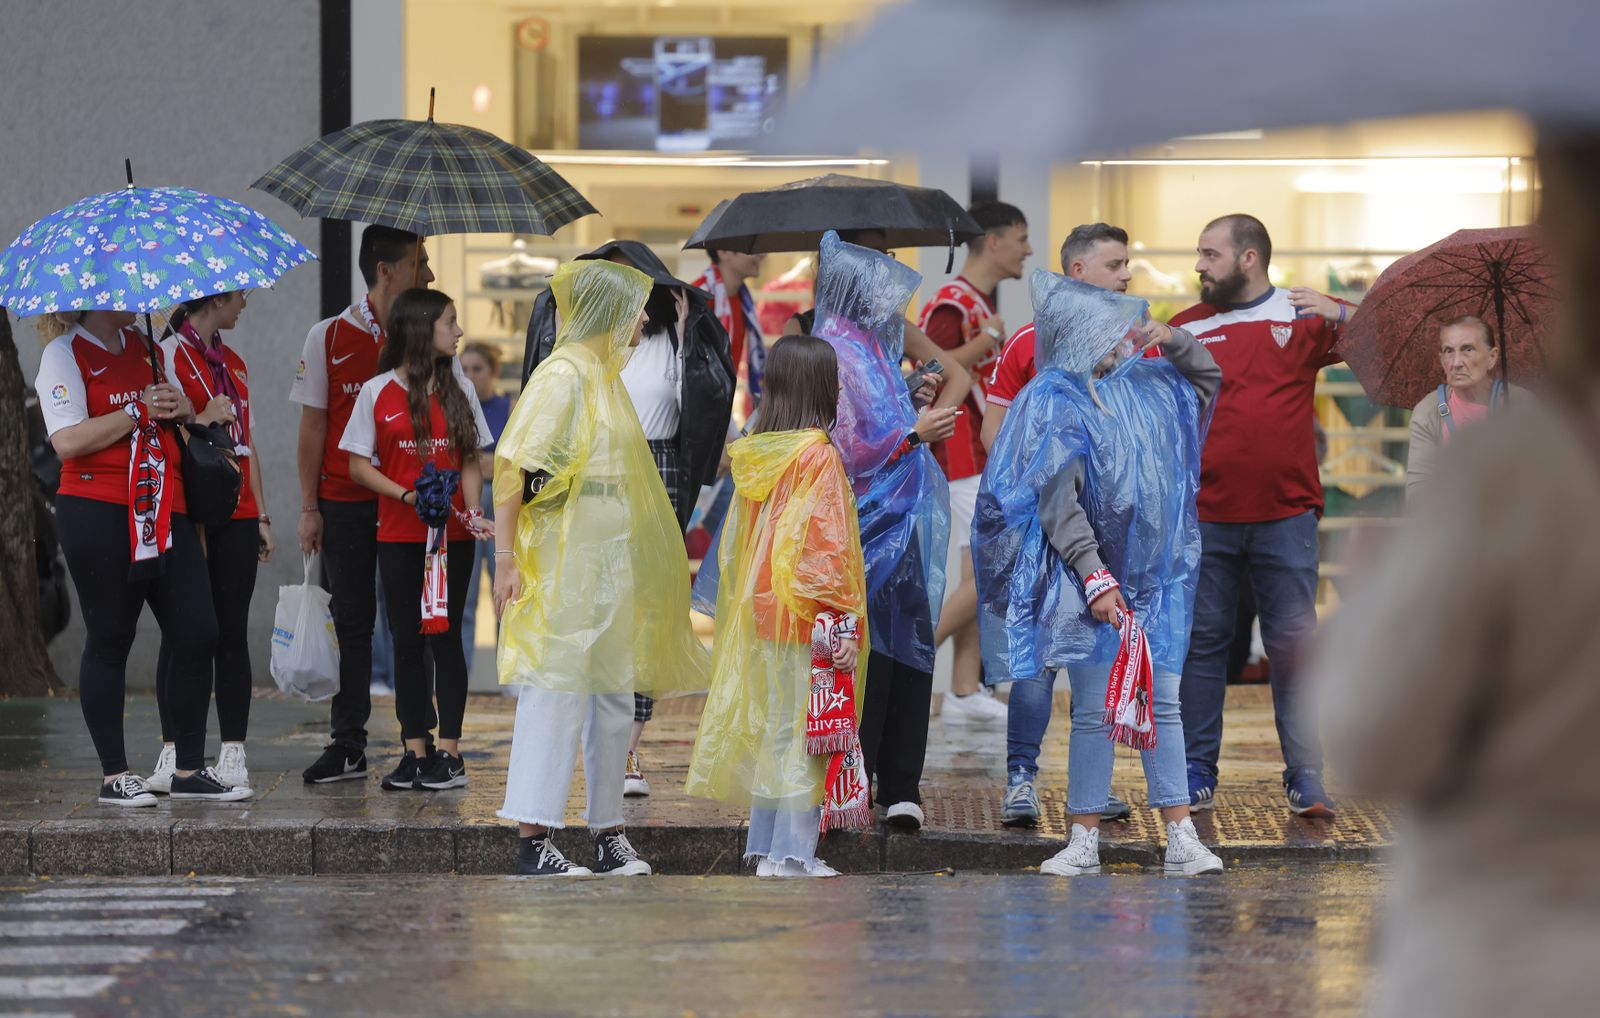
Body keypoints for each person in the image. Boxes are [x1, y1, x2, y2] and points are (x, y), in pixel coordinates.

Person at [1307, 133, 1600, 1018]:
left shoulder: (1516, 462)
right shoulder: (1478, 435)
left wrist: (1378, 600)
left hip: (1508, 939)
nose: (1461, 362)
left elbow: (1375, 739)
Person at [974, 270, 1224, 876]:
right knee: (1093, 710)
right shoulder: (1058, 399)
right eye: (1109, 328)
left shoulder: (1153, 385)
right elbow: (1057, 503)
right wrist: (1095, 576)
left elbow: (1208, 378)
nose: (1122, 338)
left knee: (1163, 704)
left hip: (1157, 582)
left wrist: (1173, 338)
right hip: (1092, 587)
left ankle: (1181, 834)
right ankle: (1083, 839)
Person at [492, 260, 711, 877]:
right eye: (636, 306)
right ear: (608, 311)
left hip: (608, 556)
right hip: (566, 558)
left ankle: (607, 829)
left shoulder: (604, 377)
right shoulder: (563, 375)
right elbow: (512, 467)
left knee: (614, 693)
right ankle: (533, 838)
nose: (644, 319)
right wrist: (506, 559)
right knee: (556, 686)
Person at [524, 239, 736, 797]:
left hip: (660, 467)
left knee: (647, 607)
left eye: (634, 282)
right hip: (594, 473)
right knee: (591, 603)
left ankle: (626, 748)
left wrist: (688, 339)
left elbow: (705, 410)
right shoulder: (582, 351)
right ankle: (591, 741)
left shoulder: (670, 336)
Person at [1169, 213, 1346, 817]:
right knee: (1204, 644)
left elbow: (1382, 337)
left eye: (1209, 253)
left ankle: (1306, 775)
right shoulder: (1187, 326)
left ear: (1249, 258)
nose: (1199, 265)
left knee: (1293, 645)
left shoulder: (1303, 315)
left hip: (1287, 515)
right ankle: (1196, 771)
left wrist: (1340, 310)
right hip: (1207, 514)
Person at [33, 309, 246, 805]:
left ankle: (188, 770)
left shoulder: (147, 348)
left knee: (198, 631)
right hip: (99, 507)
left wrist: (184, 408)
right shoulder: (63, 354)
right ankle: (114, 776)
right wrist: (136, 410)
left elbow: (174, 417)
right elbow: (67, 440)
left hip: (163, 505)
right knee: (111, 636)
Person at [787, 231, 955, 831]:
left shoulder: (873, 348)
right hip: (863, 527)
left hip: (898, 523)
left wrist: (908, 399)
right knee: (873, 656)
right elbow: (844, 448)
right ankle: (868, 778)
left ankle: (901, 783)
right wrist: (912, 434)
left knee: (908, 649)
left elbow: (869, 428)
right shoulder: (835, 350)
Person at [685, 334, 867, 878]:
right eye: (833, 378)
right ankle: (793, 853)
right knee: (807, 737)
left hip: (766, 615)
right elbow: (828, 551)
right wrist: (844, 622)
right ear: (817, 387)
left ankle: (767, 849)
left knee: (777, 732)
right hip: (811, 618)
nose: (840, 387)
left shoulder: (760, 454)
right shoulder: (819, 457)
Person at [983, 223, 1136, 827]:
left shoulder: (1131, 344)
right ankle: (1021, 781)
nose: (1126, 274)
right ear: (1078, 272)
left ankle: (1089, 785)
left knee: (1096, 659)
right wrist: (1035, 491)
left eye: (1126, 263)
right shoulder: (1030, 342)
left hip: (1104, 537)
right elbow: (994, 433)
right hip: (1040, 537)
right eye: (1115, 264)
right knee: (1037, 663)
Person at [291, 225, 434, 784]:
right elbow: (312, 427)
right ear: (386, 271)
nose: (430, 273)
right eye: (420, 262)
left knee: (412, 625)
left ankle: (418, 746)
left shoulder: (424, 334)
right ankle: (348, 744)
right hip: (344, 501)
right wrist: (309, 507)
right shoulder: (327, 336)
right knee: (350, 622)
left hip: (405, 503)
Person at [340, 289, 493, 791]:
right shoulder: (376, 391)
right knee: (405, 640)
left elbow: (471, 460)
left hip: (454, 538)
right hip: (399, 535)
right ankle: (415, 751)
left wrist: (473, 512)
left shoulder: (460, 387)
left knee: (446, 638)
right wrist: (406, 495)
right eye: (451, 321)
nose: (459, 331)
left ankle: (450, 753)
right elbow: (358, 465)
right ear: (422, 328)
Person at [147, 291, 273, 794]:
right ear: (215, 298)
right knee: (185, 631)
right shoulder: (168, 354)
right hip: (191, 506)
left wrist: (262, 513)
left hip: (237, 507)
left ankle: (233, 750)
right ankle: (173, 748)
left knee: (232, 630)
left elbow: (247, 444)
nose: (244, 303)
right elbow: (165, 432)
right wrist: (204, 414)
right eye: (239, 295)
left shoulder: (234, 363)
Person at [917, 201, 1032, 727]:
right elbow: (929, 368)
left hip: (978, 453)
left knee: (979, 571)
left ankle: (965, 688)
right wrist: (986, 341)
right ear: (993, 241)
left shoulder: (971, 302)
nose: (1028, 250)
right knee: (991, 570)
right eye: (1021, 238)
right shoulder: (953, 304)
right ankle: (912, 662)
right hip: (959, 452)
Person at [1405, 315, 1531, 497]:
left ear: (1492, 357)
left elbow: (1544, 481)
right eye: (1449, 351)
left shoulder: (1521, 404)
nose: (1456, 363)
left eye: (1468, 349)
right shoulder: (1428, 411)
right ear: (1441, 360)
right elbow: (1417, 495)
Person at [458, 341, 512, 673]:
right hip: (469, 501)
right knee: (464, 594)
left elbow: (509, 462)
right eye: (464, 369)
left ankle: (506, 674)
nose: (469, 375)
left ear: (493, 371)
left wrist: (482, 462)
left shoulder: (508, 407)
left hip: (501, 502)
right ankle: (461, 675)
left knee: (504, 592)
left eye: (477, 369)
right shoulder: (457, 409)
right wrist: (485, 463)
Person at [692, 246, 766, 419]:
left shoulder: (743, 299)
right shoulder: (697, 298)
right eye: (752, 247)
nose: (763, 254)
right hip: (699, 406)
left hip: (722, 403)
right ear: (724, 251)